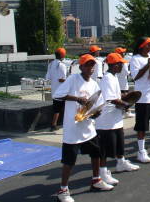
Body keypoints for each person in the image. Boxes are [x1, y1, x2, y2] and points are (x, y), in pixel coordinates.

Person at [53, 54, 113, 202]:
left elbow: (98, 103)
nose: (90, 68)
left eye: (92, 65)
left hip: (87, 126)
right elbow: (57, 95)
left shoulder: (94, 84)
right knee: (69, 161)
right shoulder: (73, 79)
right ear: (80, 67)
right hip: (73, 127)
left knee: (96, 153)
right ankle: (63, 190)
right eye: (87, 65)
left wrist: (96, 113)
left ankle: (96, 180)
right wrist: (77, 98)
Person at [96, 53, 139, 186]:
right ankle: (102, 173)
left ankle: (121, 163)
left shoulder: (113, 77)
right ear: (115, 65)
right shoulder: (107, 78)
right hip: (106, 120)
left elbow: (116, 95)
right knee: (104, 149)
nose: (123, 66)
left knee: (120, 142)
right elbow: (112, 99)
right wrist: (126, 104)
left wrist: (124, 95)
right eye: (121, 64)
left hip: (115, 118)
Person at [45, 47, 68, 131]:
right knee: (62, 108)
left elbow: (48, 77)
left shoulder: (50, 64)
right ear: (63, 55)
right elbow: (62, 79)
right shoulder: (62, 65)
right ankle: (54, 125)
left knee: (56, 109)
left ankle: (54, 124)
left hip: (54, 90)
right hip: (62, 91)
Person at [114, 47, 134, 118]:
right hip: (123, 83)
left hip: (118, 81)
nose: (124, 53)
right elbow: (125, 72)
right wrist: (130, 72)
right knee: (126, 97)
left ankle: (121, 112)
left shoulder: (114, 61)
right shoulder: (123, 61)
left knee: (118, 97)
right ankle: (126, 112)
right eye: (122, 52)